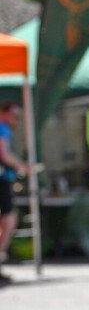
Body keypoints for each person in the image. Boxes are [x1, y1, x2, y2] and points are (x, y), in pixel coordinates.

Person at [0, 103, 30, 281]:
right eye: (14, 116)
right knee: (9, 221)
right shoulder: (2, 128)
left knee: (8, 222)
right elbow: (4, 155)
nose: (16, 121)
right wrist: (23, 166)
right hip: (2, 179)